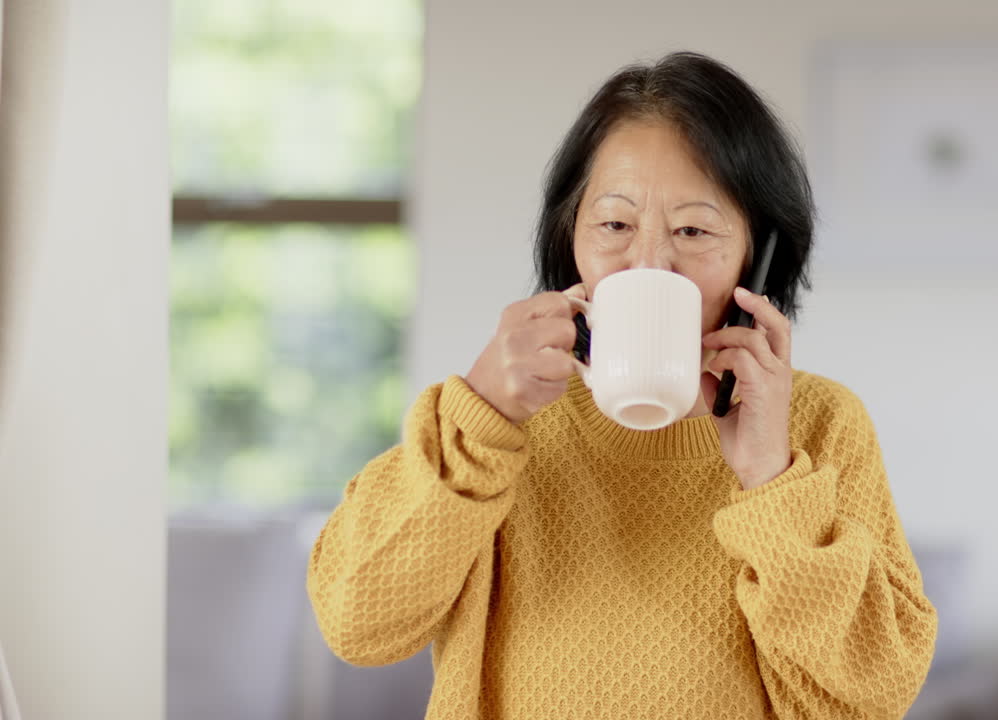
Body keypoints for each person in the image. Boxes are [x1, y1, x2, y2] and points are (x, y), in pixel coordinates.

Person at [307, 51, 937, 720]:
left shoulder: (818, 423)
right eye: (614, 225)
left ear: (759, 255)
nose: (649, 263)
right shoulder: (494, 421)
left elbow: (873, 696)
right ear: (568, 235)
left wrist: (769, 477)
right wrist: (482, 416)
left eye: (693, 230)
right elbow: (357, 625)